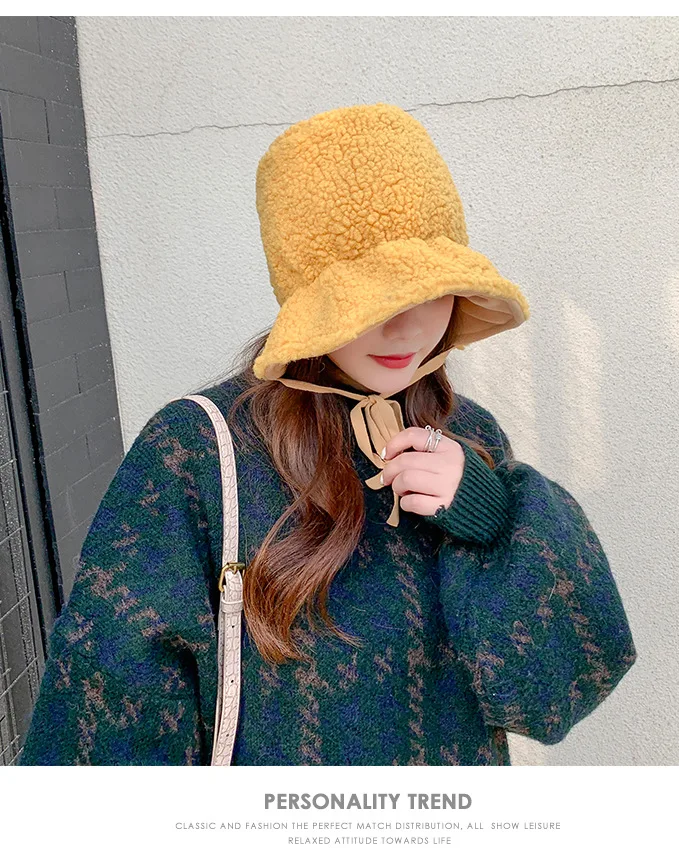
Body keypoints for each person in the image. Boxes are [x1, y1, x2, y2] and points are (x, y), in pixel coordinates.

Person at [19, 103, 636, 766]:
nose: (405, 328)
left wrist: (489, 516)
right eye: (370, 300)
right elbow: (106, 703)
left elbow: (551, 697)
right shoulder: (198, 450)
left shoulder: (467, 432)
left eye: (428, 290)